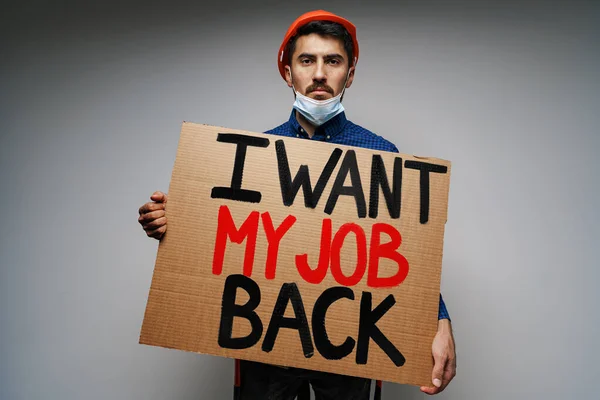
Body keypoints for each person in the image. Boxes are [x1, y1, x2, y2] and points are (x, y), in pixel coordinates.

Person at [138, 10, 456, 399]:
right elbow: (226, 239)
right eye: (307, 61)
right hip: (265, 348)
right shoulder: (254, 156)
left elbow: (407, 253)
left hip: (348, 343)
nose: (319, 73)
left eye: (332, 61)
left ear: (349, 74)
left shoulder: (383, 156)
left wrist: (439, 320)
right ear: (289, 73)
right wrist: (178, 221)